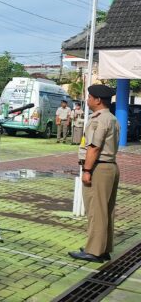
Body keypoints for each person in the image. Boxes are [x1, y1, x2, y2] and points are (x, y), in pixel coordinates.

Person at [69, 84, 120, 263]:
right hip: (110, 166)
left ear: (98, 100)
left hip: (98, 167)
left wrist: (87, 170)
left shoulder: (98, 119)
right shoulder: (111, 118)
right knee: (106, 210)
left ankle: (94, 251)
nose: (88, 100)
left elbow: (94, 147)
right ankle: (102, 248)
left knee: (96, 210)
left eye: (90, 97)